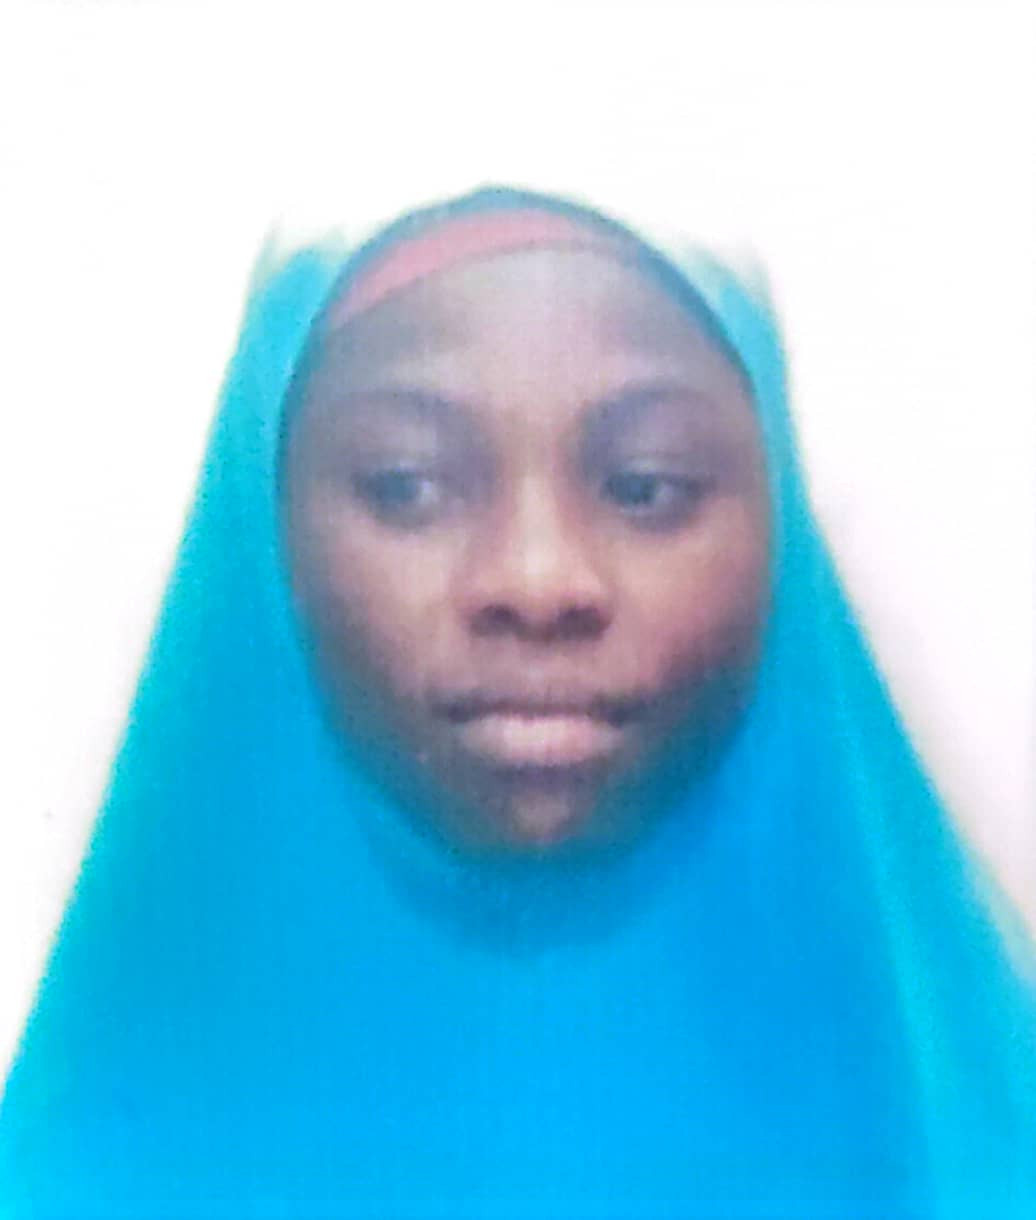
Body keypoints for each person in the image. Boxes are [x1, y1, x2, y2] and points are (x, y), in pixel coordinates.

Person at [2, 186, 1033, 1218]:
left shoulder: (970, 1149)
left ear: (777, 528)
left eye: (645, 484)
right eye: (405, 484)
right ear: (265, 534)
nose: (538, 580)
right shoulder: (79, 1171)